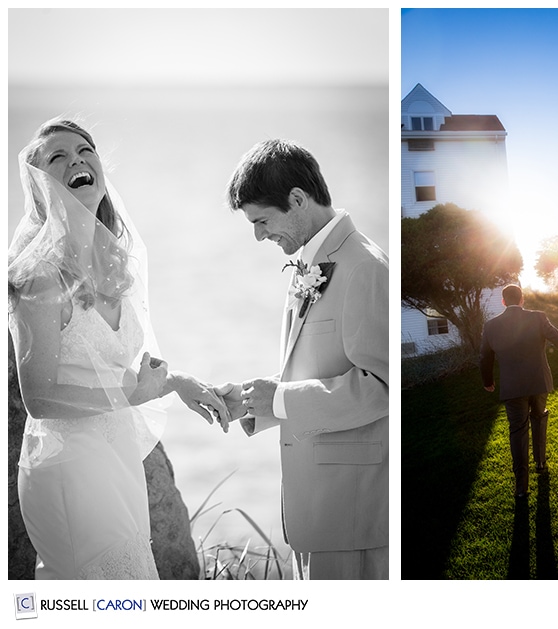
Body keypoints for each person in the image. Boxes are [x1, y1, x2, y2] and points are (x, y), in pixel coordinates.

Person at [8, 119, 228, 579]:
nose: (77, 160)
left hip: (115, 457)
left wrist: (172, 382)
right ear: (39, 185)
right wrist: (135, 396)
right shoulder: (40, 275)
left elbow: (105, 369)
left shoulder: (113, 261)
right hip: (68, 468)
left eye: (85, 150)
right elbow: (39, 398)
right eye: (58, 157)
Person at [216, 139, 389, 580]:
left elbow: (382, 386)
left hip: (351, 515)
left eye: (262, 221)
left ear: (297, 200)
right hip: (315, 512)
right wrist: (255, 401)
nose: (258, 235)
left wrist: (283, 400)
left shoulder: (363, 267)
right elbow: (321, 370)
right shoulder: (314, 261)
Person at [480, 284, 558, 498]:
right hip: (539, 382)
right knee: (539, 418)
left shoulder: (490, 326)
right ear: (522, 300)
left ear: (503, 301)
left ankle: (521, 488)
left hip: (512, 388)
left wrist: (488, 381)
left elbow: (485, 356)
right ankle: (540, 463)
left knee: (518, 433)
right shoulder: (538, 317)